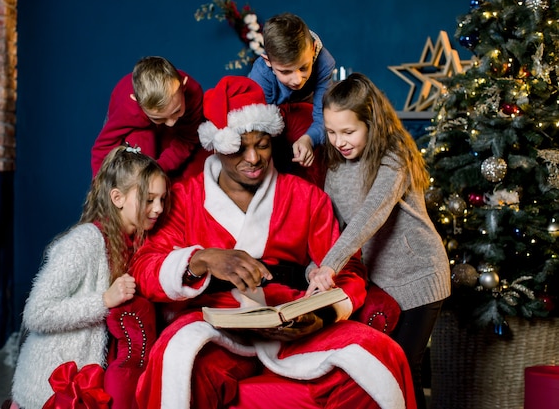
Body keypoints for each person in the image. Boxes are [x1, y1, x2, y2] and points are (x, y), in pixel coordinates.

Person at [131, 76, 417, 409]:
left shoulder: (305, 197)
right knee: (179, 360)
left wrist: (323, 315)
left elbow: (349, 267)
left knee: (380, 357)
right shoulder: (184, 198)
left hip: (292, 320)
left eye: (262, 144)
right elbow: (146, 267)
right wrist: (202, 259)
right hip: (216, 323)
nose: (253, 158)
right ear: (218, 145)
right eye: (239, 146)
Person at [314, 72, 451, 409]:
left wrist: (330, 264)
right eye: (331, 132)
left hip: (420, 274)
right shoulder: (336, 167)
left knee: (404, 366)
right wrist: (316, 270)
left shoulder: (394, 153)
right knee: (384, 370)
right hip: (382, 285)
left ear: (371, 123)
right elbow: (331, 228)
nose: (339, 141)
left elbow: (371, 215)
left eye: (348, 131)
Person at [10, 146, 169, 409]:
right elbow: (36, 313)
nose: (158, 209)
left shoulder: (137, 244)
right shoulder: (85, 242)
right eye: (149, 199)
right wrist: (104, 300)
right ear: (117, 197)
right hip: (52, 388)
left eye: (162, 200)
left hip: (89, 384)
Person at [248, 12, 335, 187]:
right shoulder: (260, 75)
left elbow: (323, 116)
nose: (297, 80)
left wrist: (309, 139)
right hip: (270, 123)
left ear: (313, 48)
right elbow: (256, 128)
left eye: (303, 68)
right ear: (268, 62)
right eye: (285, 72)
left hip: (306, 117)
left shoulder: (325, 63)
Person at [90, 56, 208, 181]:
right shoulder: (126, 107)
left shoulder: (193, 92)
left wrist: (159, 168)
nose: (171, 123)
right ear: (136, 101)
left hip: (183, 133)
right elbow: (103, 148)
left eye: (176, 111)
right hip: (139, 133)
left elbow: (187, 140)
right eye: (159, 118)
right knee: (142, 169)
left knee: (193, 172)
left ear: (183, 86)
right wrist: (100, 187)